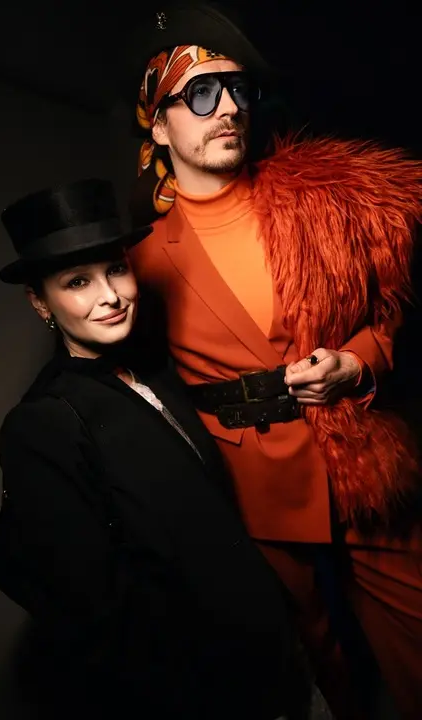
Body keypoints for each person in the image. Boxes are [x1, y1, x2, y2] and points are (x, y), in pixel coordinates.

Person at [126, 4, 422, 719]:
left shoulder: (326, 205)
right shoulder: (138, 265)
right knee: (311, 662)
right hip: (249, 490)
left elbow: (390, 314)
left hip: (363, 462)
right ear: (159, 126)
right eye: (202, 94)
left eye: (237, 89)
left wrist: (356, 363)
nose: (229, 107)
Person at [0, 178, 308, 720]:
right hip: (205, 693)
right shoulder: (43, 424)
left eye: (115, 269)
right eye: (77, 282)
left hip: (274, 658)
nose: (109, 296)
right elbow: (95, 613)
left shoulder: (157, 373)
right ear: (40, 302)